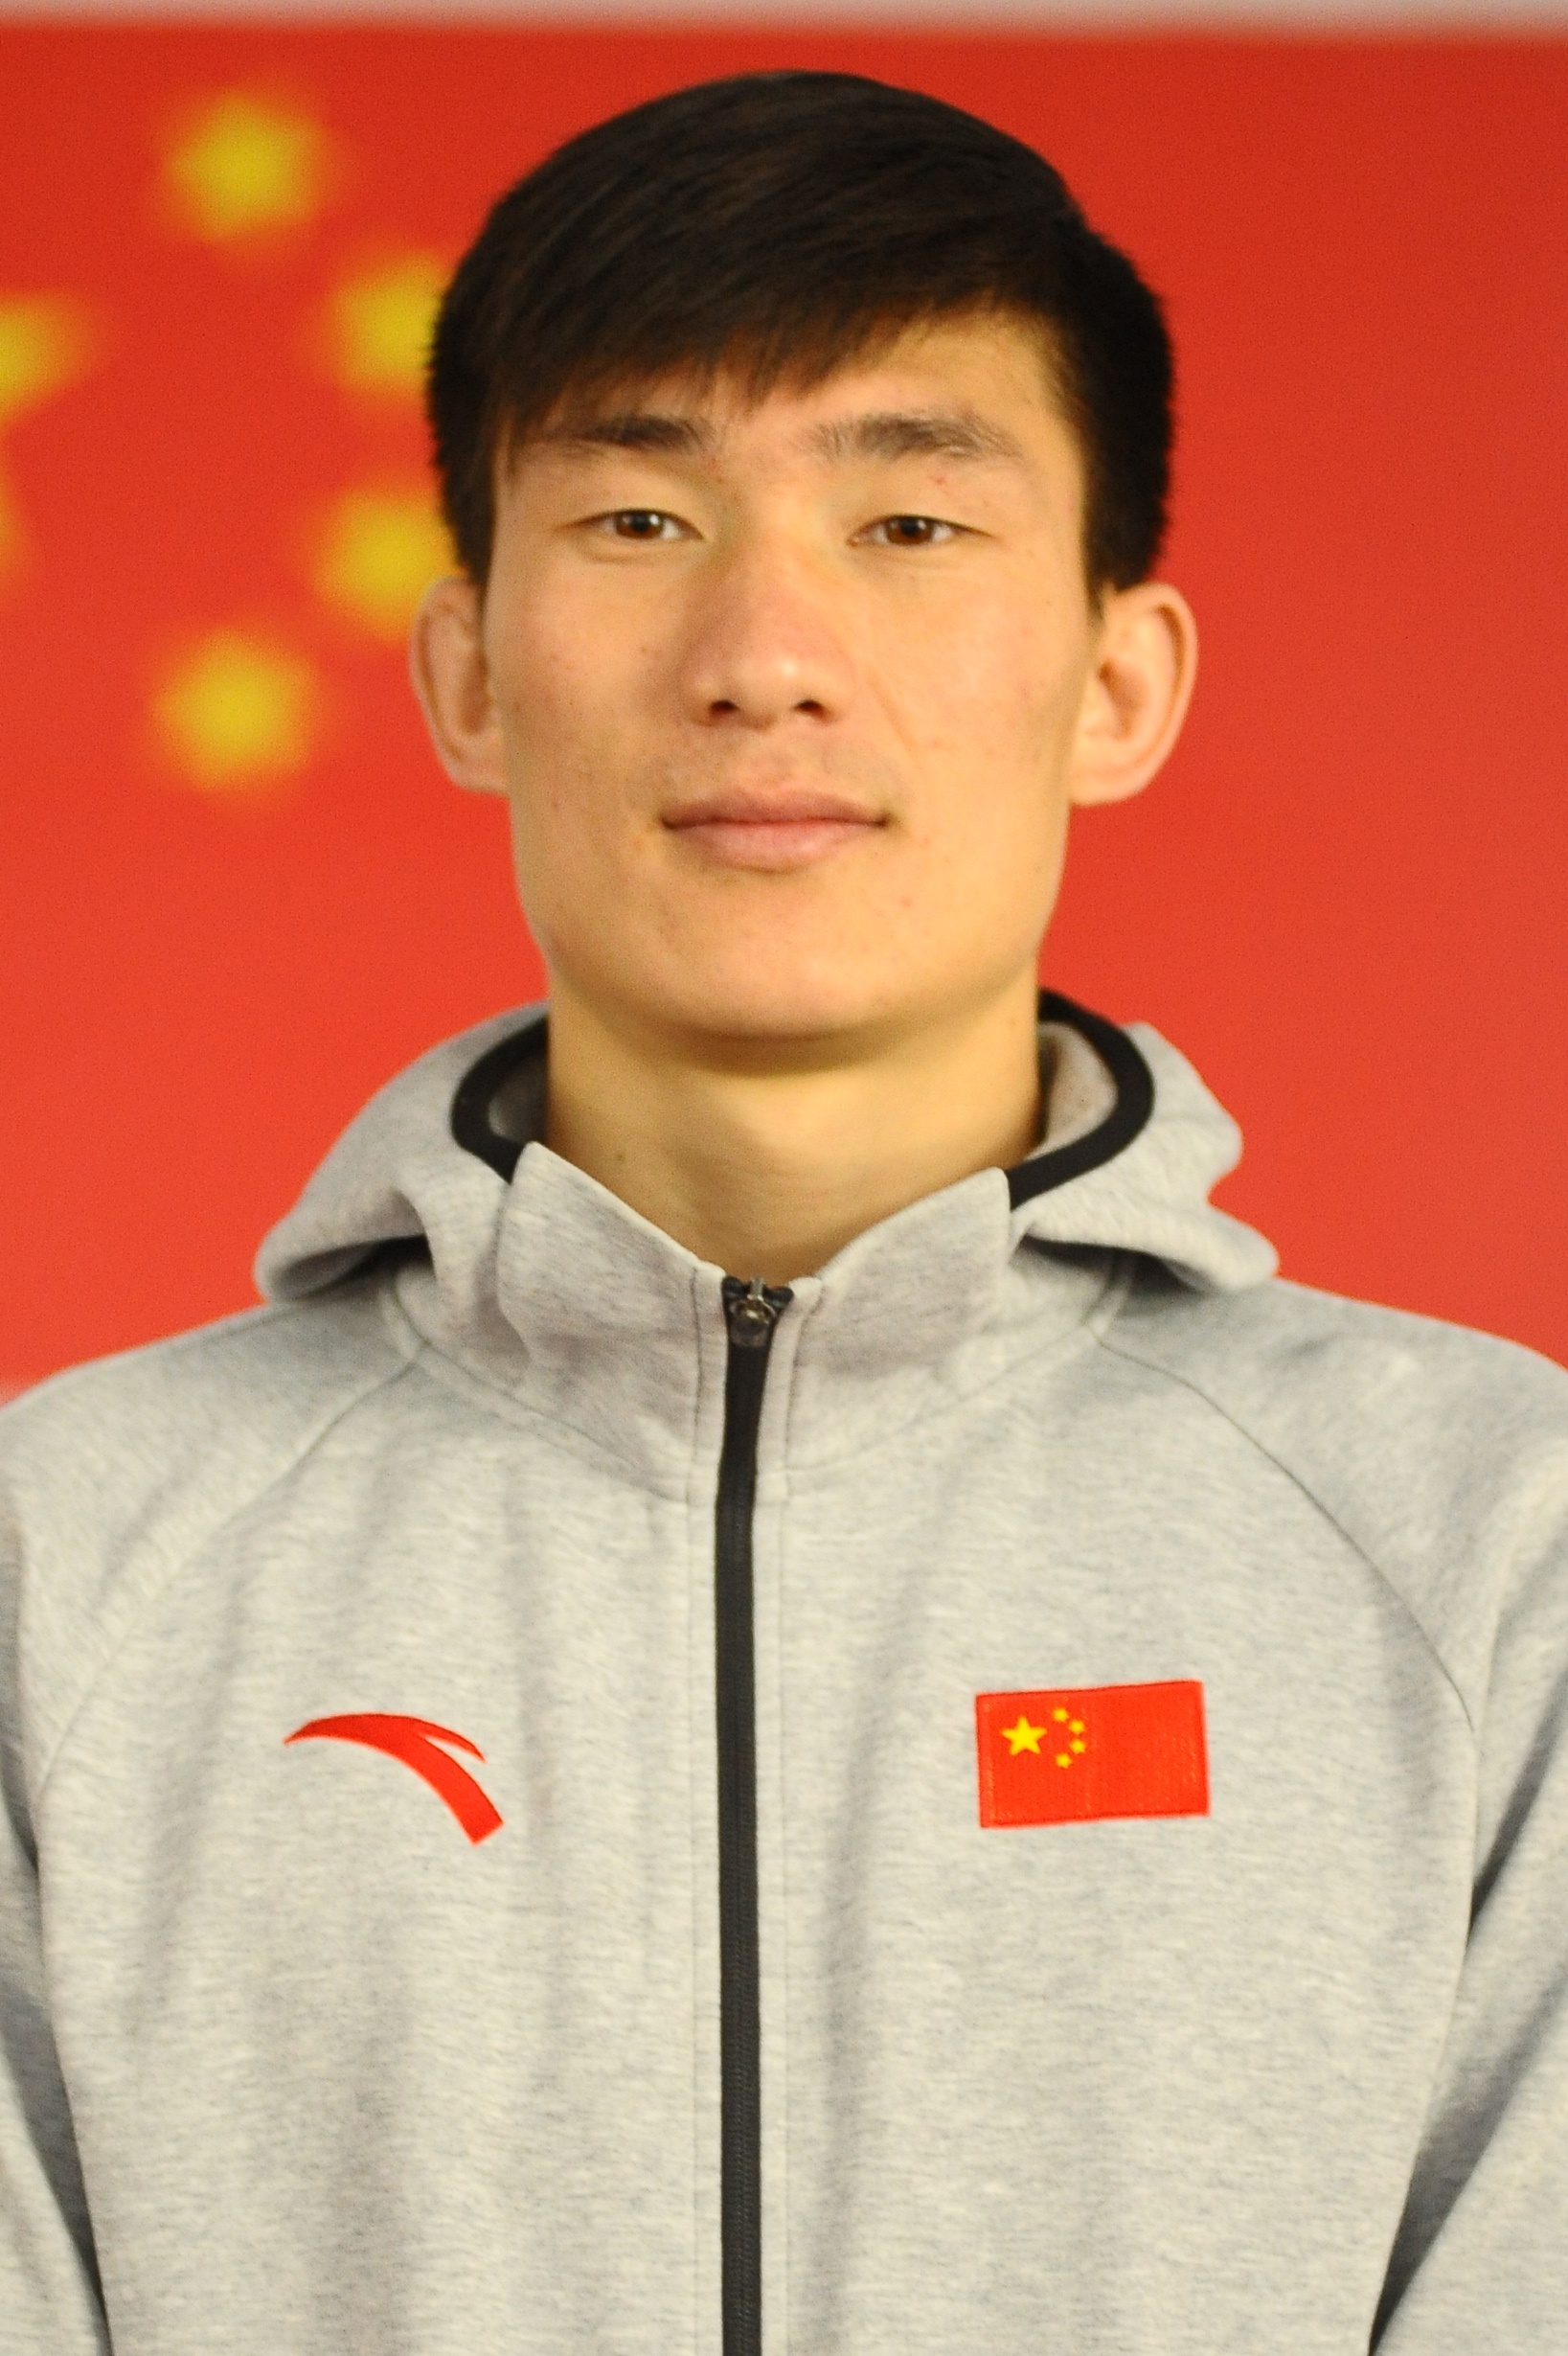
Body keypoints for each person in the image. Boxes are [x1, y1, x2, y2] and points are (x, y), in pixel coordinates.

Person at [1, 68, 1563, 2356]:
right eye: (640, 517)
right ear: (468, 673)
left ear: (1118, 682)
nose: (766, 652)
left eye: (909, 523)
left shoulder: (1496, 1550)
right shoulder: (64, 1565)